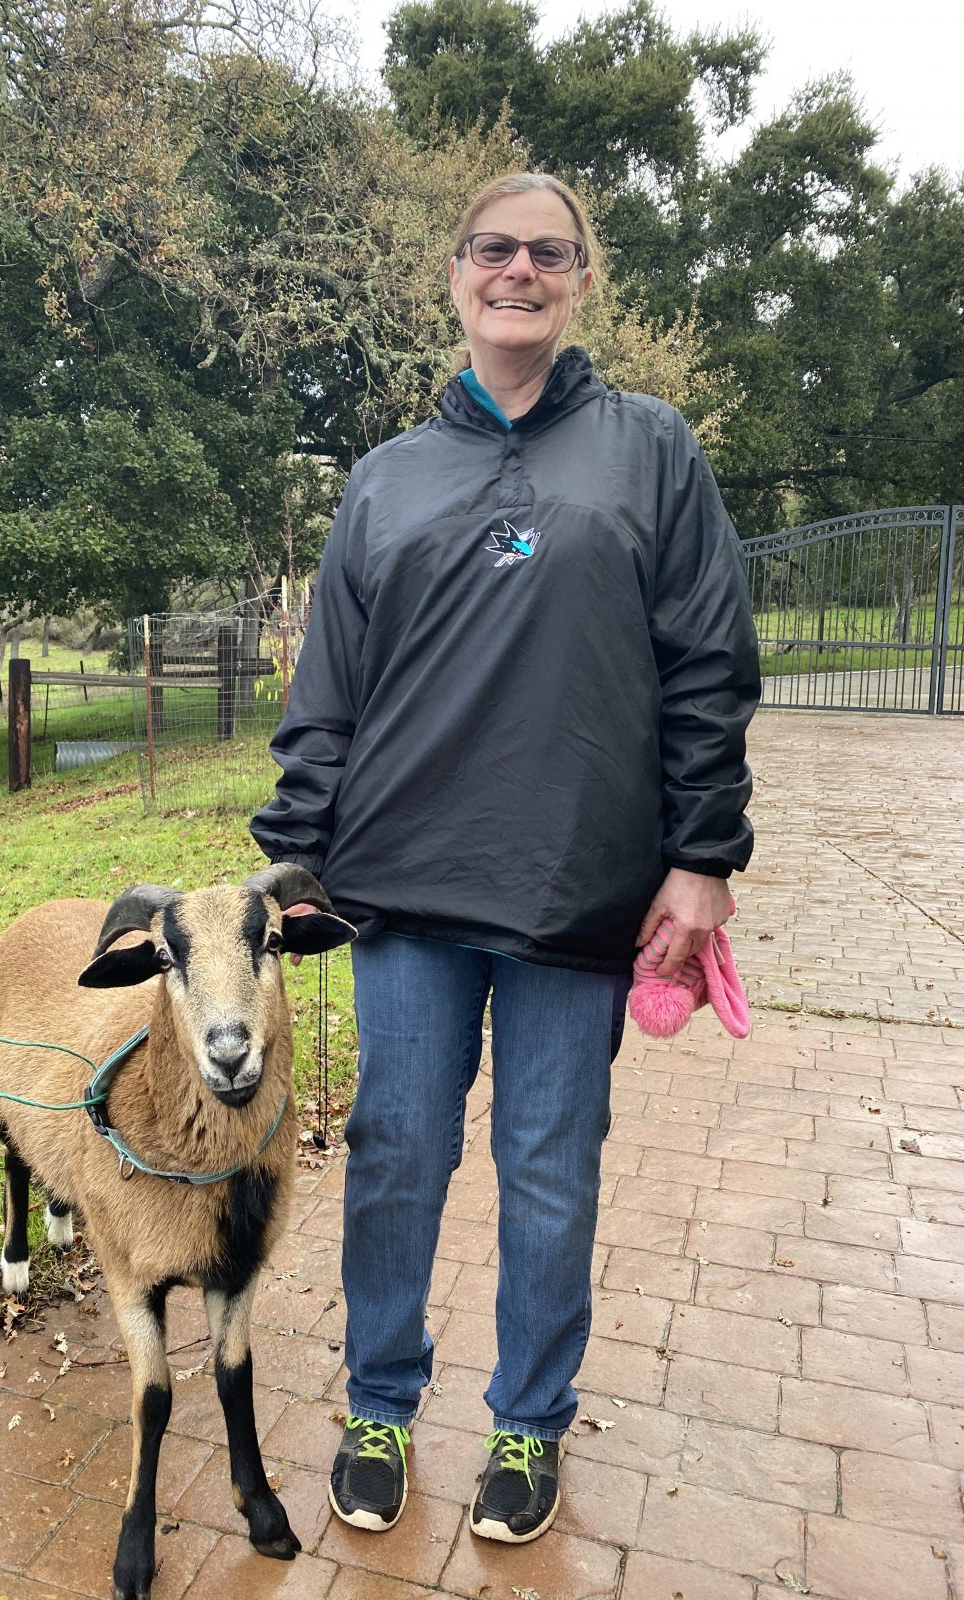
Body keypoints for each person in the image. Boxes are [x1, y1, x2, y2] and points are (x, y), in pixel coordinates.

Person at [250, 171, 760, 1545]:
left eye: (547, 251)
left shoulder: (652, 452)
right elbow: (329, 695)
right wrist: (297, 856)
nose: (518, 270)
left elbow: (711, 666)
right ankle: (380, 1402)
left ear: (580, 278)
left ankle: (528, 1427)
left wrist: (702, 858)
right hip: (404, 890)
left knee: (550, 1167)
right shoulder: (388, 479)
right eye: (494, 249)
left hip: (580, 895)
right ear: (458, 273)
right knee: (395, 1153)